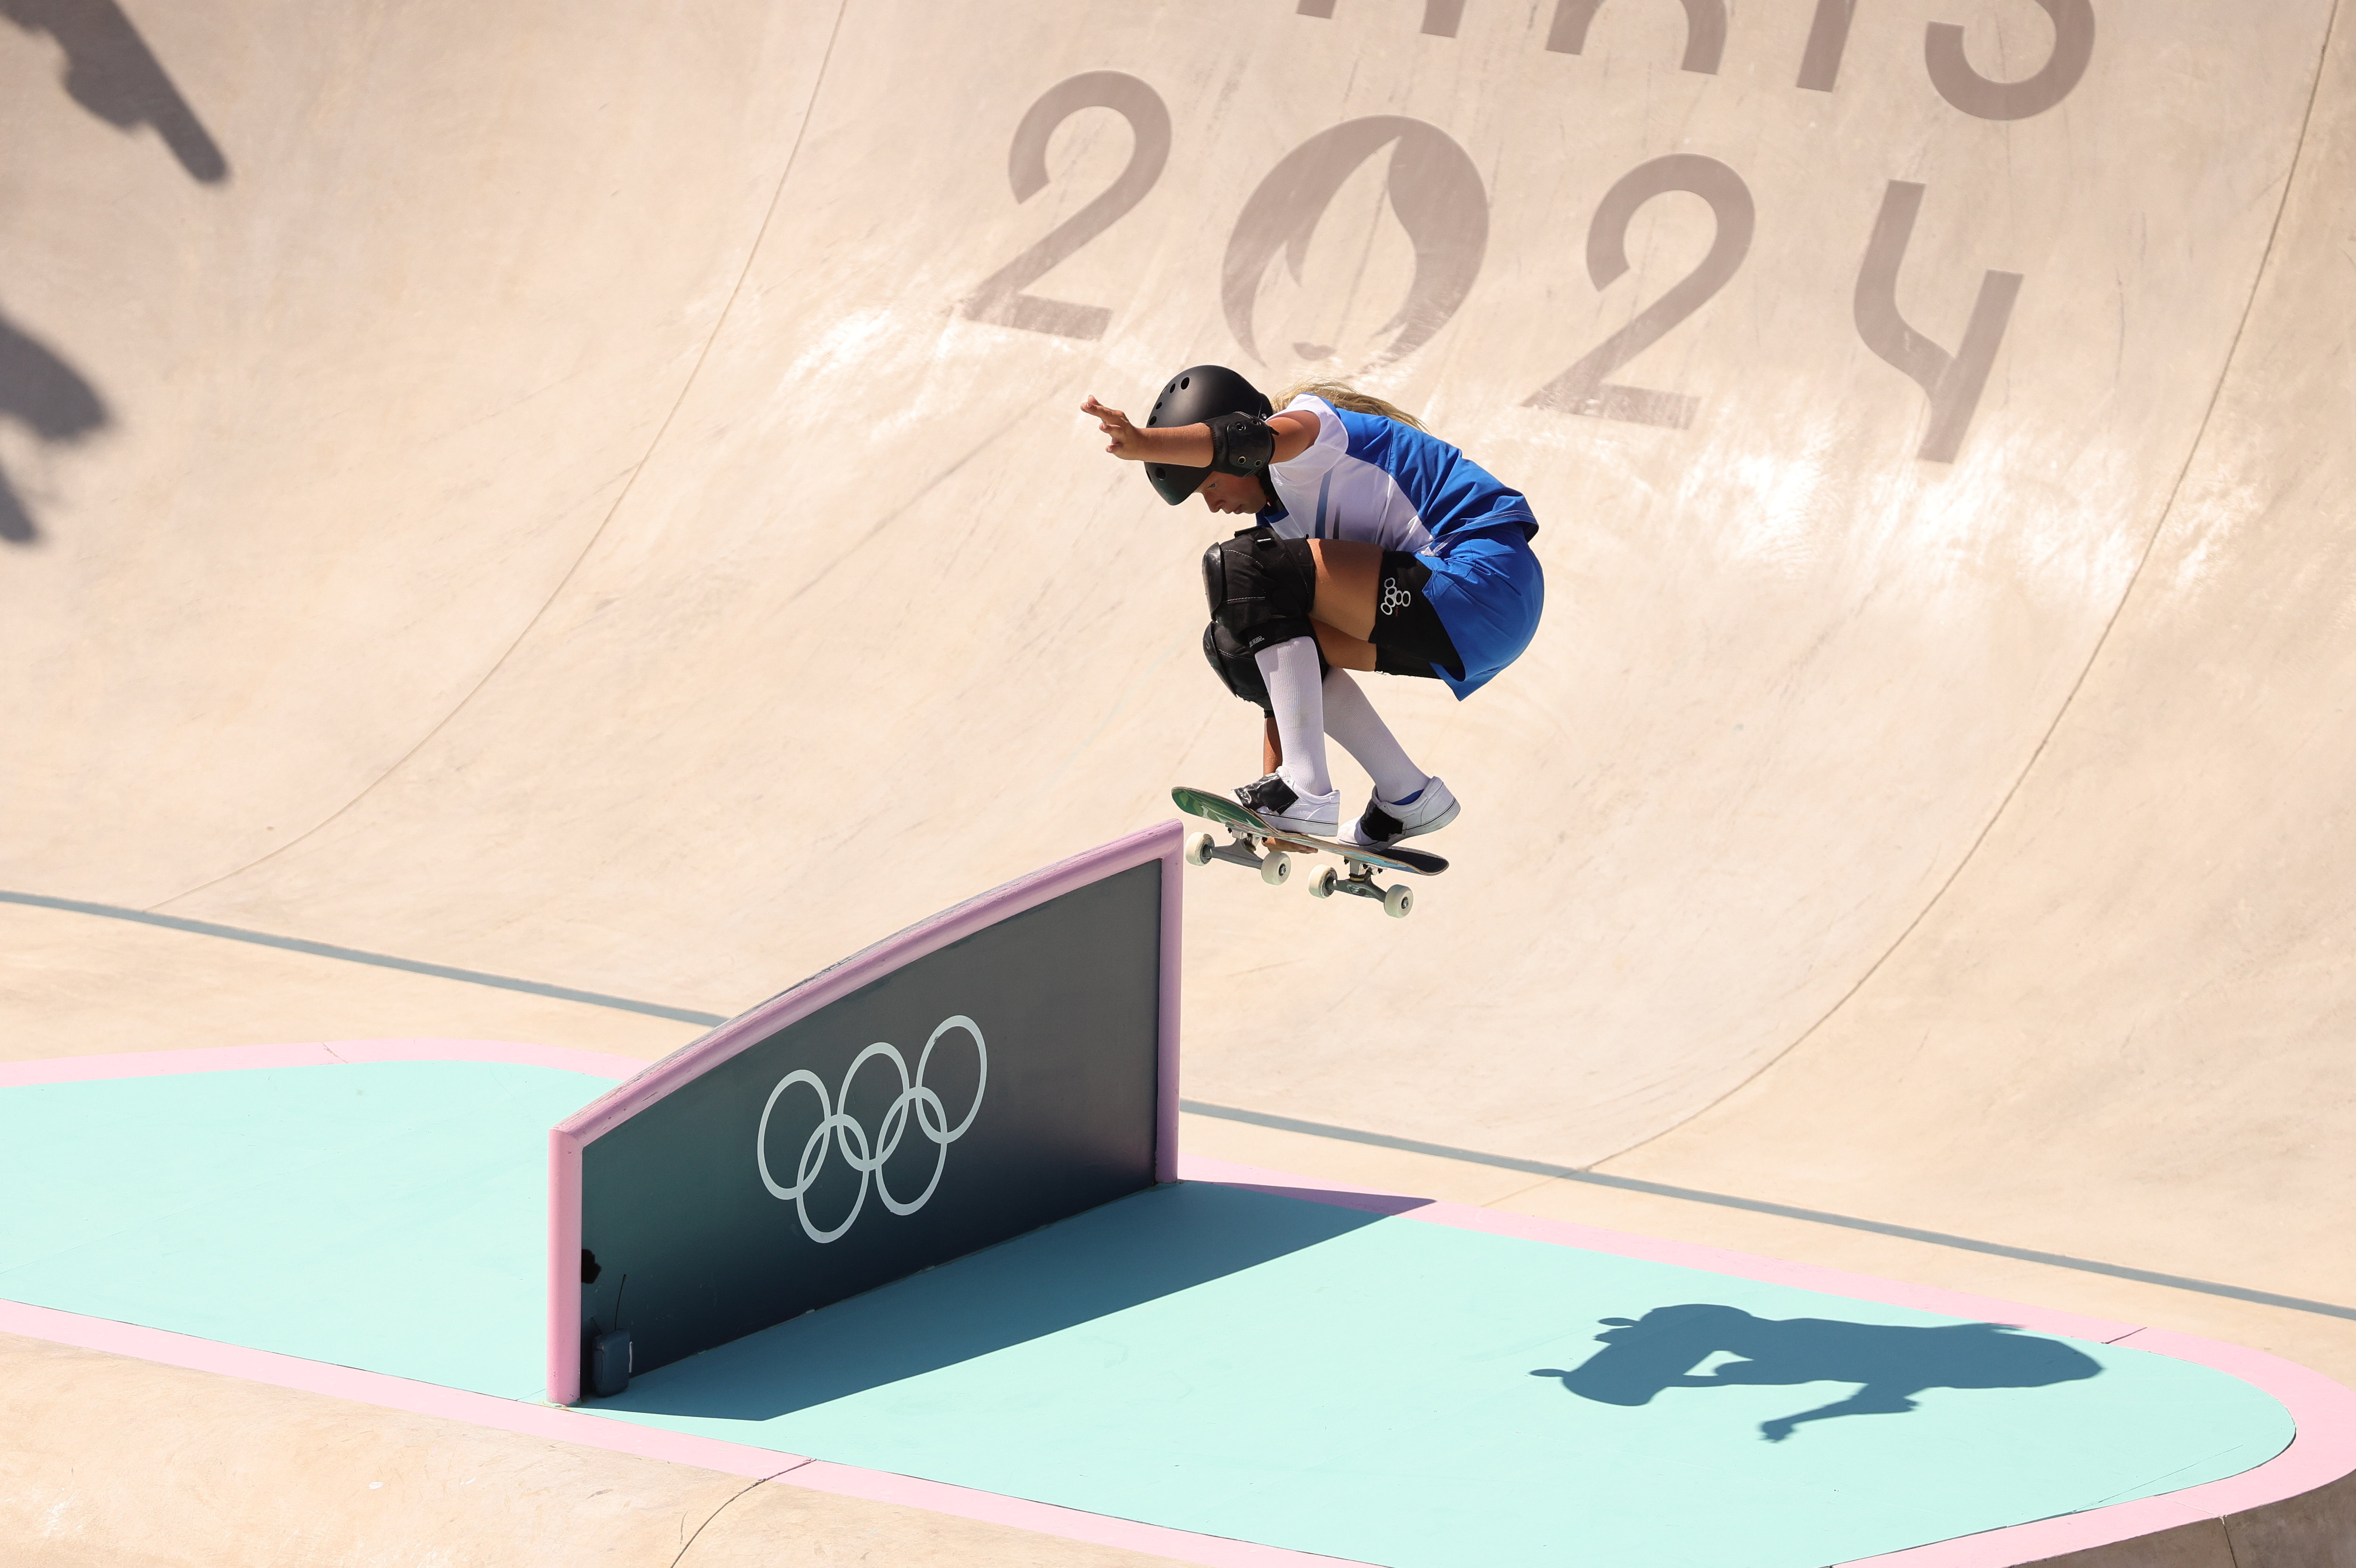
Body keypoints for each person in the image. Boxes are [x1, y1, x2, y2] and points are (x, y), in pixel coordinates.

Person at [1082, 365, 1543, 847]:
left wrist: (1145, 443)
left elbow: (1247, 439)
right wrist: (1278, 815)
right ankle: (1406, 794)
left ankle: (1309, 789)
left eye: (1210, 486)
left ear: (1237, 460)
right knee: (1235, 642)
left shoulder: (1311, 432)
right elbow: (1282, 675)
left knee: (1239, 567)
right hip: (1459, 628)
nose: (1212, 506)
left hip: (1484, 578)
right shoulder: (1281, 523)